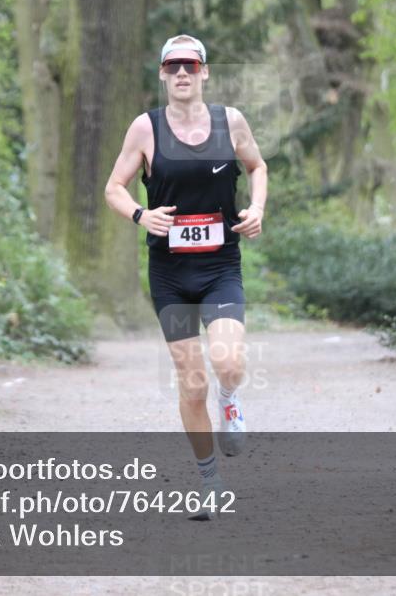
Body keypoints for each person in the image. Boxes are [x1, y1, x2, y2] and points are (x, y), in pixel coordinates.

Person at [104, 34, 268, 520]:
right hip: (170, 274)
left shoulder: (230, 121)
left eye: (190, 65)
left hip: (220, 267)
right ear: (161, 74)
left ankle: (232, 400)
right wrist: (140, 215)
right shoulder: (145, 128)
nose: (182, 73)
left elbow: (257, 167)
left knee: (229, 363)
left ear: (204, 72)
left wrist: (256, 208)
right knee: (191, 383)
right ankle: (209, 482)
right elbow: (114, 187)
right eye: (173, 65)